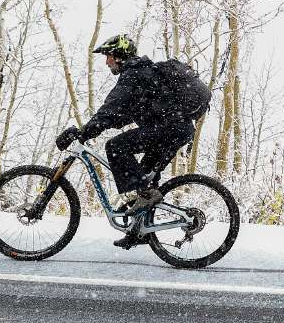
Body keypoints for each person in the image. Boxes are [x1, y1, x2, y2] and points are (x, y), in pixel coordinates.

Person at [54, 34, 201, 249]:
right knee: (144, 178)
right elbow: (120, 116)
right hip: (174, 129)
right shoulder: (140, 73)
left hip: (170, 129)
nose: (107, 62)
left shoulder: (133, 74)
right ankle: (139, 231)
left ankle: (145, 197)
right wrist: (94, 129)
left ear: (120, 56)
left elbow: (110, 109)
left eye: (109, 57)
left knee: (115, 147)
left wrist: (84, 133)